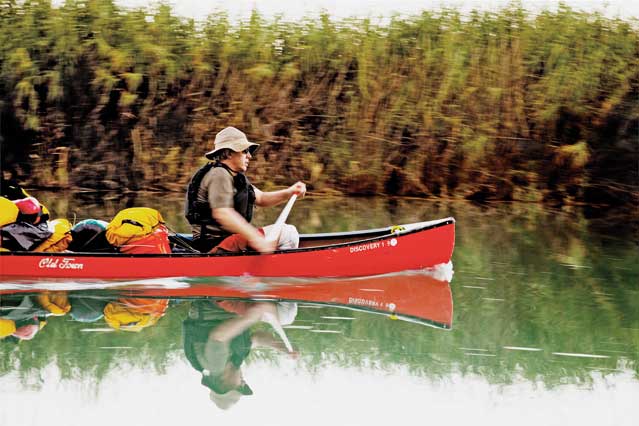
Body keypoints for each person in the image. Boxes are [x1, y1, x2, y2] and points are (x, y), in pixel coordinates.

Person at [185, 126, 306, 253]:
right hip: (214, 246)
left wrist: (290, 192)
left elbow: (261, 198)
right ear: (229, 153)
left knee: (287, 232)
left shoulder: (237, 178)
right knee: (288, 233)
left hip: (229, 241)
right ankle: (276, 268)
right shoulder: (219, 175)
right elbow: (222, 213)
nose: (249, 156)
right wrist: (255, 238)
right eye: (244, 151)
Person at [183, 298, 298, 410]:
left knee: (285, 315)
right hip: (229, 307)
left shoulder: (214, 366)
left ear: (223, 384)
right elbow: (258, 338)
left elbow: (218, 337)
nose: (243, 383)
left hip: (215, 302)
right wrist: (284, 349)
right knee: (282, 315)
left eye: (239, 387)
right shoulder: (235, 358)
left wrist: (251, 316)